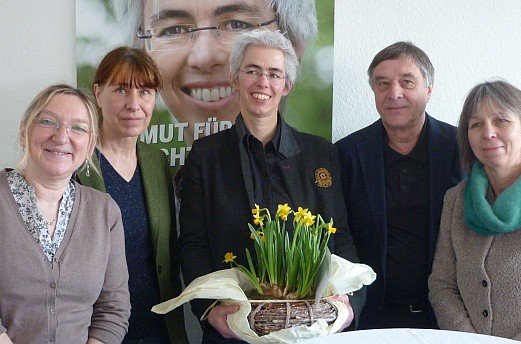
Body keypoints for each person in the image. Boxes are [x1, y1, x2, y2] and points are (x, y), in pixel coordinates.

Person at [177, 30, 363, 344]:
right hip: (233, 331)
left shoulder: (321, 154)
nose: (263, 82)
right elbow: (193, 244)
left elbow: (339, 236)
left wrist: (349, 305)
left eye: (274, 74)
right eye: (252, 71)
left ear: (286, 85)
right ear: (235, 79)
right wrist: (209, 309)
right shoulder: (205, 156)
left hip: (310, 331)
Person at [336, 41, 463, 329]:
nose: (394, 93)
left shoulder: (462, 150)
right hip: (369, 316)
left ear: (429, 90)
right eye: (383, 84)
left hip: (446, 317)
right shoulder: (347, 155)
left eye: (407, 81)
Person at [0, 84, 130, 343]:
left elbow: (113, 310)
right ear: (25, 130)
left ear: (90, 143)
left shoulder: (105, 212)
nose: (61, 137)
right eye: (48, 122)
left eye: (78, 128)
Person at [76, 47, 188, 344]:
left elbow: (167, 253)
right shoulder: (76, 161)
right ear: (98, 94)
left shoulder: (156, 161)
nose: (134, 104)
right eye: (121, 90)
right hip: (95, 331)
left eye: (145, 92)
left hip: (159, 327)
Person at [428, 80, 521, 343]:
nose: (488, 132)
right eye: (476, 124)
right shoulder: (456, 200)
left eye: (501, 120)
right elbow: (441, 284)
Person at [111, 0, 317, 145]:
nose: (204, 57)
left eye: (237, 24)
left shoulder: (318, 163)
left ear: (294, 45)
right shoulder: (137, 181)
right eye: (173, 30)